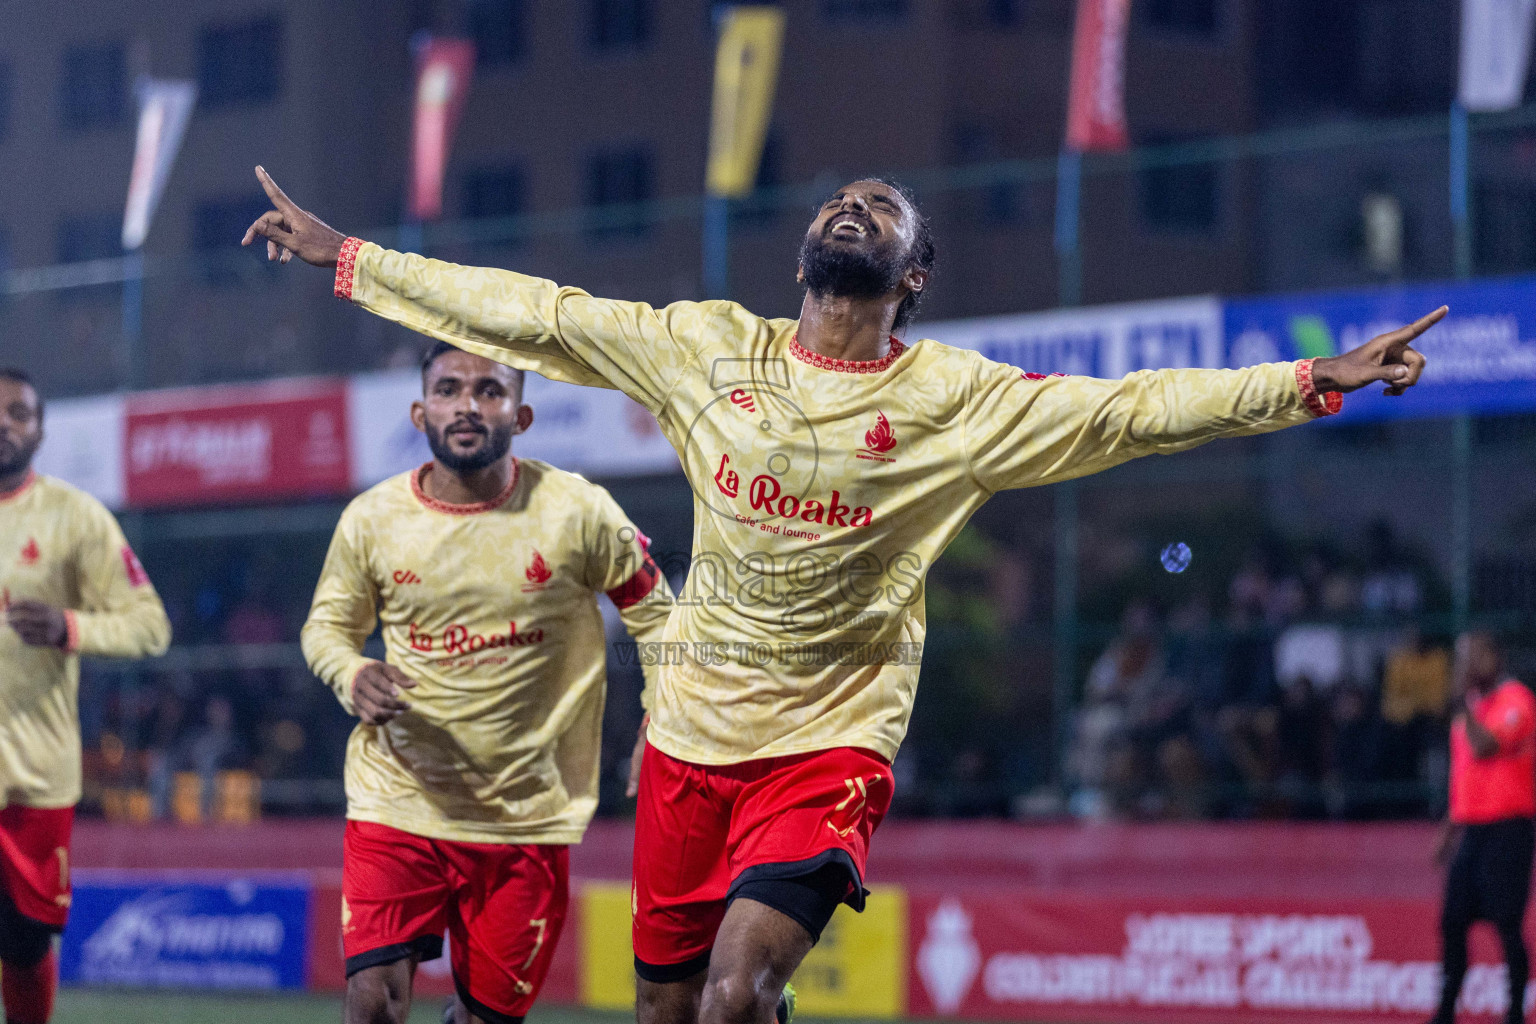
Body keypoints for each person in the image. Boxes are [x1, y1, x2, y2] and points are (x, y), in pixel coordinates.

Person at [245, 166, 1442, 1024]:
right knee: (668, 1004)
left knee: (735, 989)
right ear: (803, 253)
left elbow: (1130, 409)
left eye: (880, 207)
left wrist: (1309, 381)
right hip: (691, 737)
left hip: (830, 739)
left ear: (911, 270)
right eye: (838, 200)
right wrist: (350, 261)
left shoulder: (958, 401)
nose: (849, 206)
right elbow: (531, 311)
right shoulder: (704, 348)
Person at [300, 342, 673, 1024]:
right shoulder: (372, 519)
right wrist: (350, 671)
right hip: (399, 798)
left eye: (489, 390)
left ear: (522, 416)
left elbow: (656, 613)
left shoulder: (577, 511)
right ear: (420, 411)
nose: (468, 404)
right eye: (448, 389)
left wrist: (664, 719)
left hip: (524, 814)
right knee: (372, 1003)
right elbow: (325, 628)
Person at [0, 368, 171, 1024]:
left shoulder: (75, 517)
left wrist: (71, 627)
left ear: (41, 430)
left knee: (22, 942)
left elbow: (150, 625)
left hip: (34, 780)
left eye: (19, 412)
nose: (4, 423)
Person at [1428, 631, 1535, 1024]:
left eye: (1471, 656)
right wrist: (1447, 833)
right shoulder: (1470, 708)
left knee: (1508, 924)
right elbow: (1463, 775)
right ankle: (1445, 1011)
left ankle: (1514, 1013)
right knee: (1453, 921)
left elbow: (1485, 747)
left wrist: (1462, 706)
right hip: (1471, 830)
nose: (1464, 665)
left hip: (1509, 829)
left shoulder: (1517, 702)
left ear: (1494, 657)